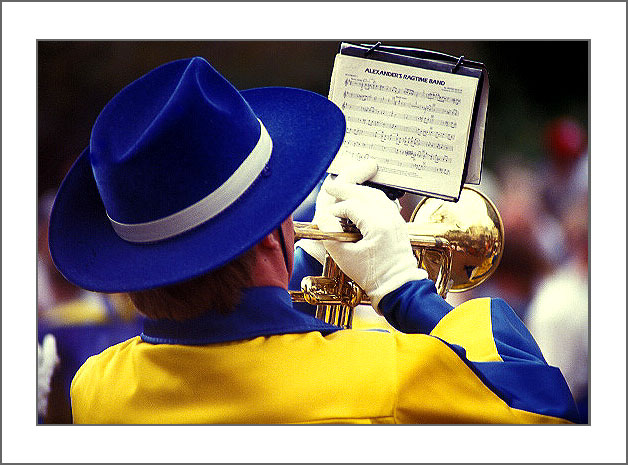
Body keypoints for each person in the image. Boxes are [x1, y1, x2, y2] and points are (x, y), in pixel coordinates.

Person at [48, 56, 579, 424]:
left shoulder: (96, 390)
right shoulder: (385, 378)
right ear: (268, 235)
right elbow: (546, 408)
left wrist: (304, 260)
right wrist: (403, 287)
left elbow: (241, 333)